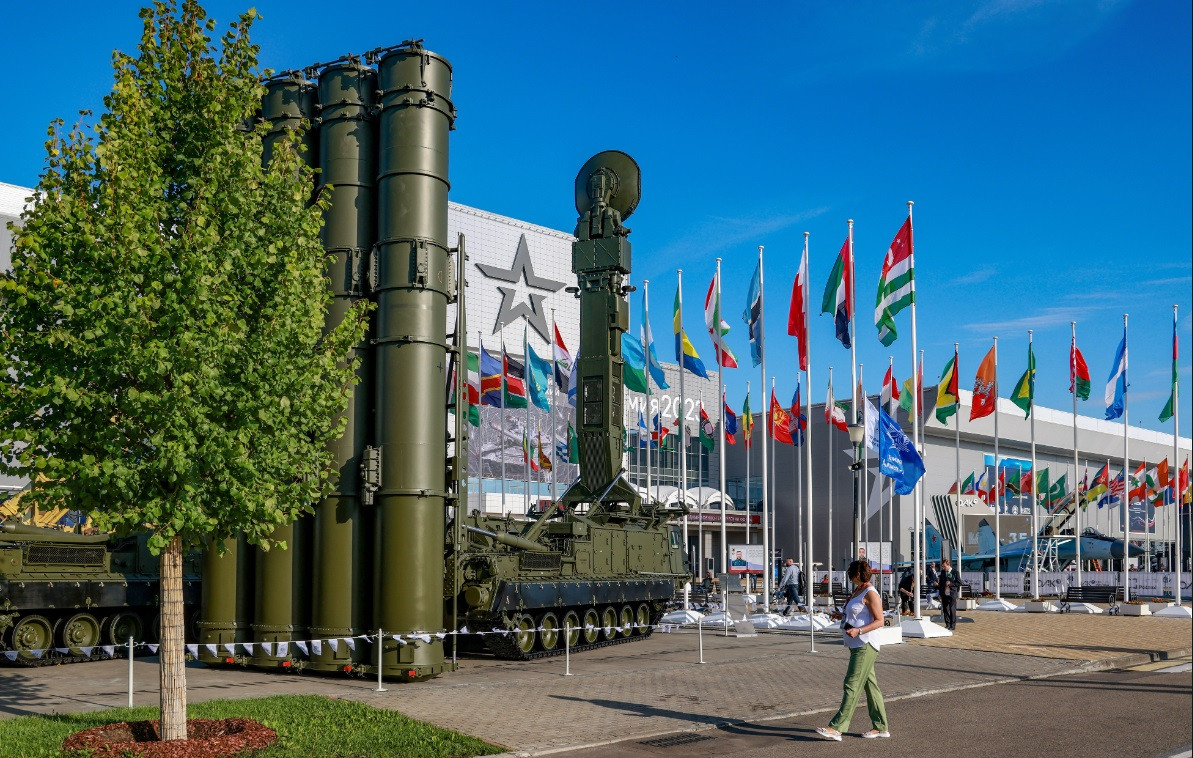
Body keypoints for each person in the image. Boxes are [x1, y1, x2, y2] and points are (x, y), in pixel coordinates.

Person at [816, 560, 890, 741]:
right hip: (856, 645)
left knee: (851, 684)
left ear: (858, 574)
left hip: (865, 644)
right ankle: (881, 727)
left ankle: (837, 727)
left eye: (851, 571)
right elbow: (858, 614)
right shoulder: (858, 591)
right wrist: (842, 615)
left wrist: (859, 630)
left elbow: (880, 620)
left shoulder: (870, 592)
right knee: (871, 687)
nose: (849, 574)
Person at [938, 559, 960, 631]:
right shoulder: (942, 572)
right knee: (945, 609)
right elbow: (940, 584)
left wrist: (951, 584)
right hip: (944, 593)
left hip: (952, 593)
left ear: (948, 565)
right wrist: (940, 593)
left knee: (952, 609)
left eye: (944, 566)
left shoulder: (955, 572)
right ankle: (947, 624)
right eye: (942, 566)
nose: (943, 568)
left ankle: (952, 625)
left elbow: (959, 583)